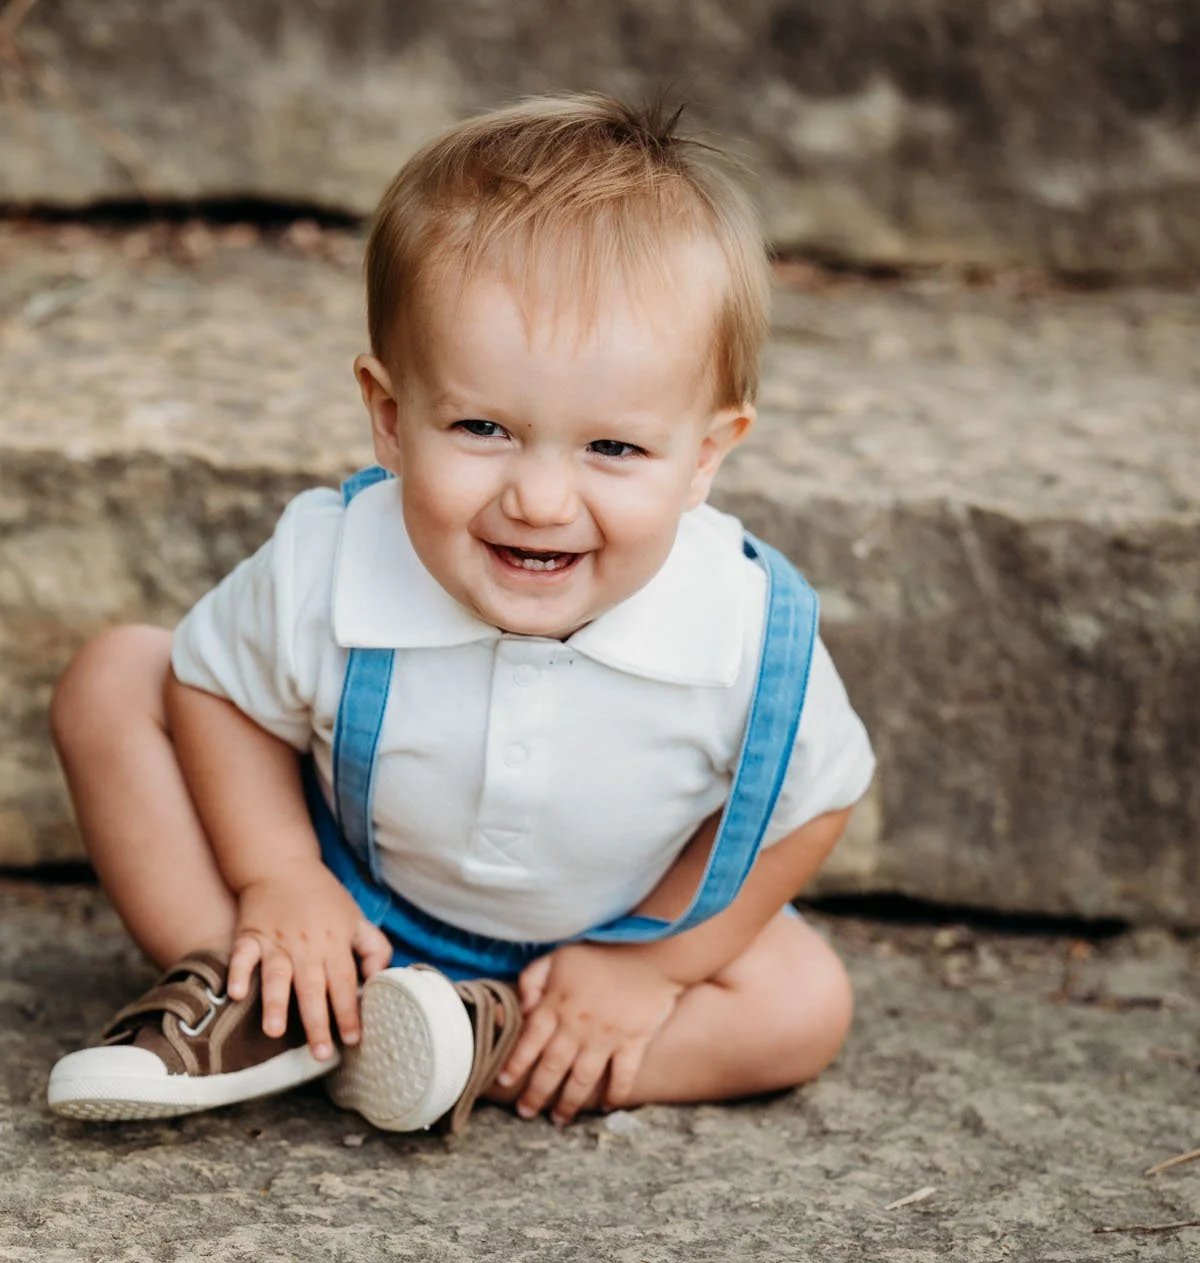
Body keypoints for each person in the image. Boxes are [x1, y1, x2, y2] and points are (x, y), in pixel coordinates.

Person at [45, 93, 875, 1134]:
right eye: (482, 427)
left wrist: (656, 961)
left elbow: (814, 800)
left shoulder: (743, 631)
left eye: (610, 448)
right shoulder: (334, 560)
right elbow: (211, 686)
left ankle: (469, 1042)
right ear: (390, 418)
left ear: (705, 453)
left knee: (800, 1005)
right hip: (346, 893)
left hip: (596, 943)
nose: (537, 496)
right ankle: (250, 987)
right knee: (116, 678)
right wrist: (281, 875)